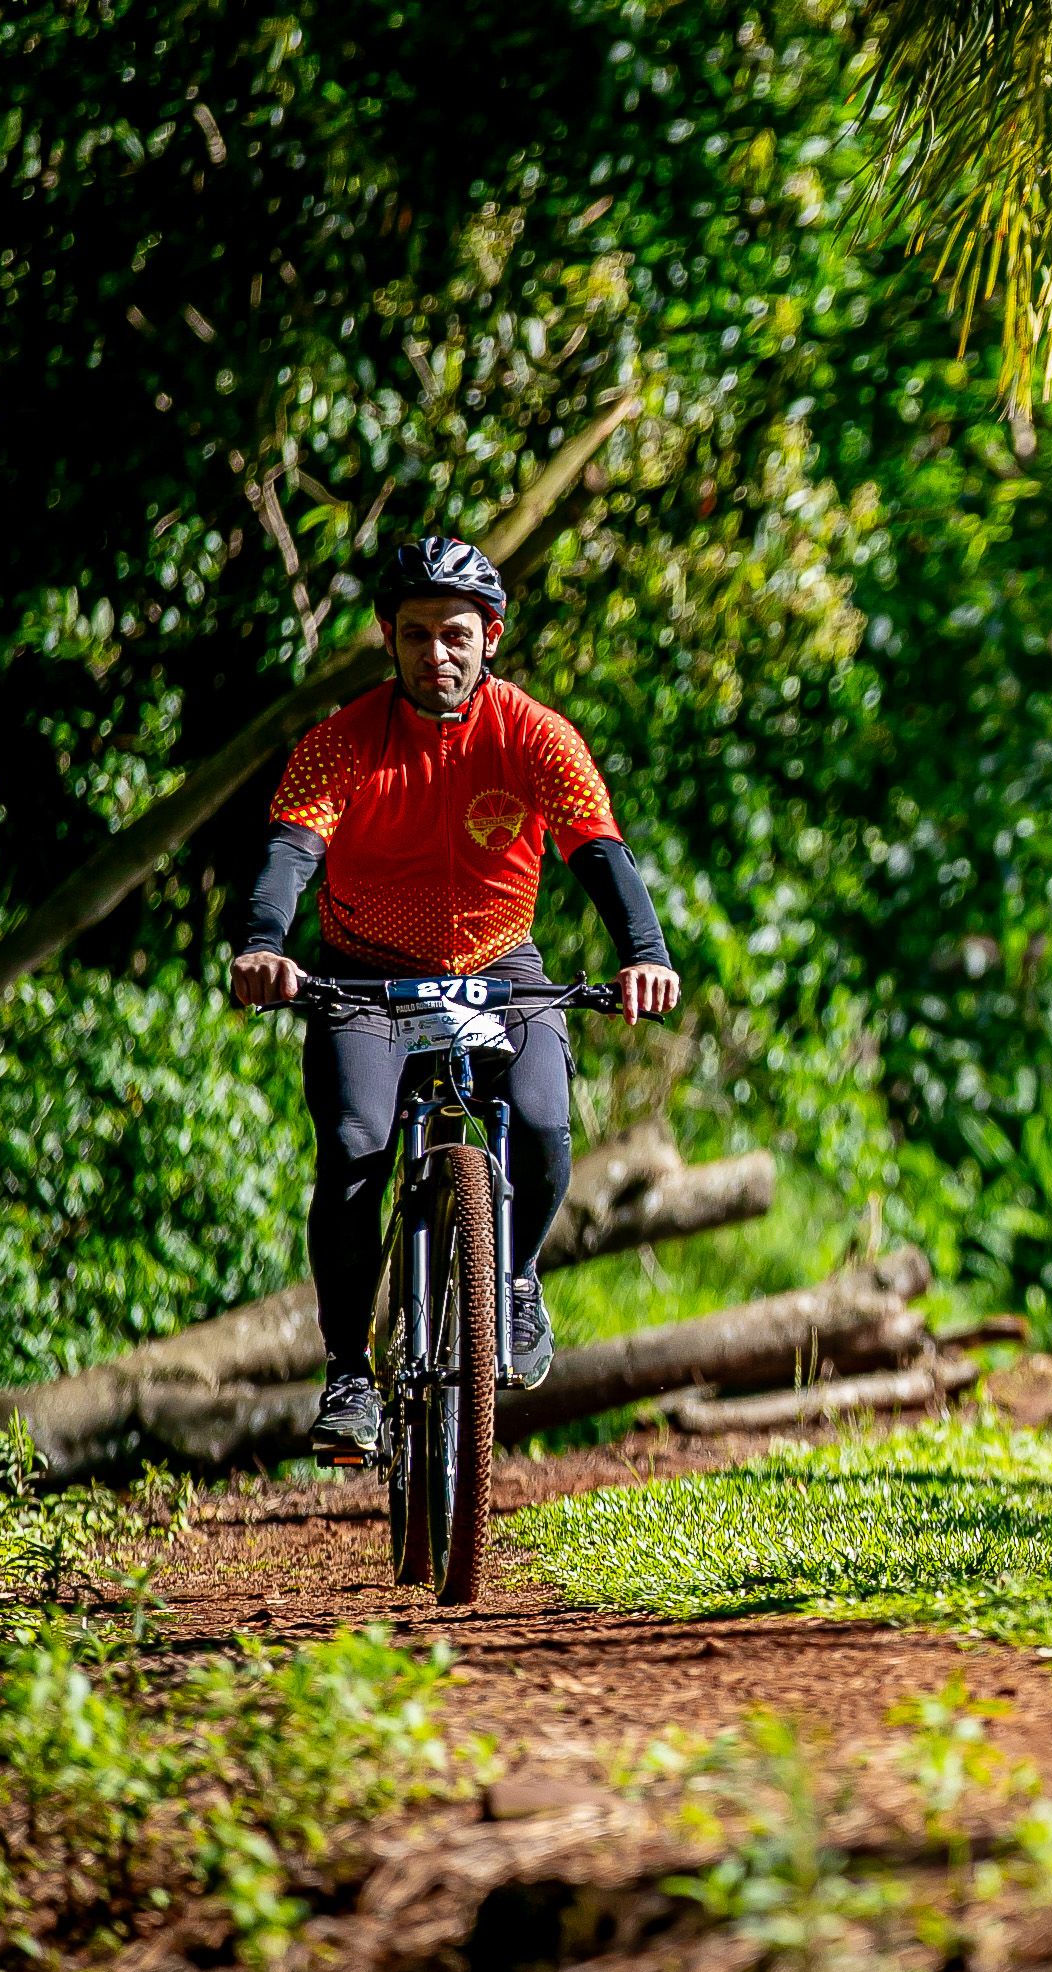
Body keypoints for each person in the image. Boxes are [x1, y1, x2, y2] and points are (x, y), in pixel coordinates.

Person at [230, 537, 680, 1465]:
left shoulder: (536, 735)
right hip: (366, 975)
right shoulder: (344, 740)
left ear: (492, 638)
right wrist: (264, 945)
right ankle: (350, 1373)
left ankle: (513, 1279)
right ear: (388, 638)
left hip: (500, 965)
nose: (436, 653)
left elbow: (599, 850)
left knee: (545, 1127)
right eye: (416, 634)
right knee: (354, 1150)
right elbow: (289, 851)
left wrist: (646, 956)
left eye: (456, 635)